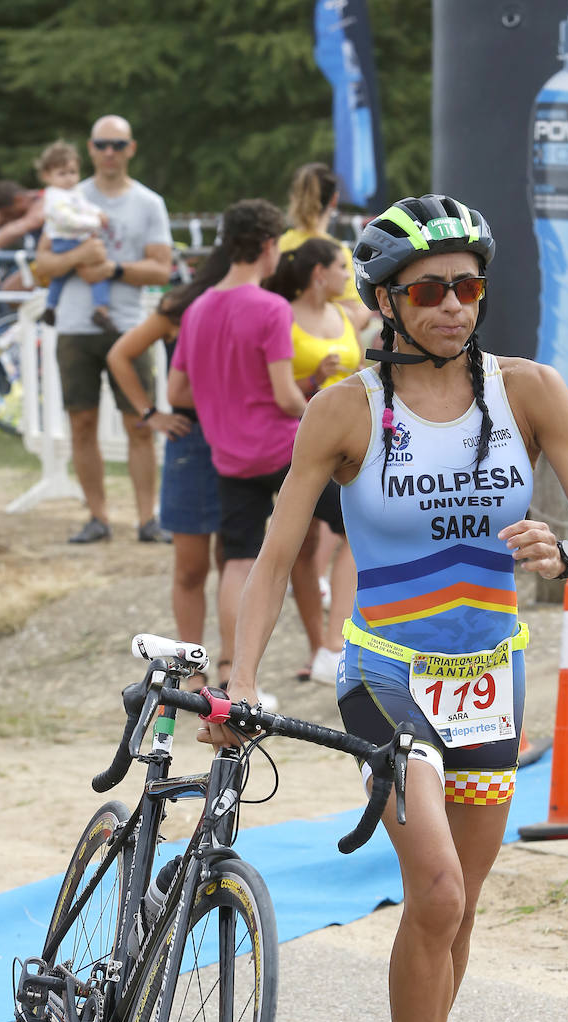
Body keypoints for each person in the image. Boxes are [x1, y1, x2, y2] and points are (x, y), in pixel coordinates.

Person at [200, 194, 568, 1022]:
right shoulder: (346, 409)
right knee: (433, 888)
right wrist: (244, 677)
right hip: (383, 674)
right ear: (387, 300)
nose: (451, 305)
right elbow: (269, 563)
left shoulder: (527, 392)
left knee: (461, 908)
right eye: (428, 290)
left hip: (489, 674)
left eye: (467, 286)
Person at [167, 199, 316, 700]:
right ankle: (336, 645)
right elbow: (284, 394)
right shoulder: (271, 307)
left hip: (228, 455)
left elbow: (177, 394)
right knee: (348, 532)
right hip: (279, 448)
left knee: (237, 560)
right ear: (270, 246)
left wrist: (223, 393)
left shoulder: (199, 306)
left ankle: (232, 677)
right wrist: (316, 403)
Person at [33, 114, 173, 544]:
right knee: (81, 423)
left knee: (140, 423)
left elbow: (161, 268)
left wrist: (111, 268)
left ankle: (147, 519)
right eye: (101, 144)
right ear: (90, 149)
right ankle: (98, 518)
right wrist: (80, 256)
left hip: (129, 326)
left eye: (118, 144)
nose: (109, 152)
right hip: (75, 325)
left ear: (131, 148)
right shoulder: (65, 198)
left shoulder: (148, 203)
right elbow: (41, 269)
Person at [106, 243, 232, 684]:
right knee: (192, 564)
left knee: (234, 561)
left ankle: (231, 667)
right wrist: (148, 414)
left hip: (237, 436)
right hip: (192, 435)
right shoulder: (179, 307)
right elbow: (120, 354)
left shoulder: (253, 303)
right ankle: (192, 666)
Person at [266, 236, 361, 685]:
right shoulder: (282, 316)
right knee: (308, 545)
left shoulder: (344, 314)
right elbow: (273, 384)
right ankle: (322, 646)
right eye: (341, 267)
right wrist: (313, 379)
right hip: (300, 441)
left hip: (350, 444)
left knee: (342, 537)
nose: (348, 275)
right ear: (318, 273)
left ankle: (332, 644)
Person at [278, 162, 372, 334]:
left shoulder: (277, 247)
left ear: (294, 197)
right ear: (334, 200)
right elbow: (353, 320)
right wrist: (370, 307)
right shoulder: (336, 252)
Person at [33, 140, 112, 332]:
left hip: (73, 239)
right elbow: (67, 219)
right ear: (47, 176)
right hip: (66, 240)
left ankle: (51, 306)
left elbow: (84, 207)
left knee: (61, 276)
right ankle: (100, 308)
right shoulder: (55, 196)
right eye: (62, 173)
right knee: (97, 269)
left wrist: (97, 212)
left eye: (72, 172)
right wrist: (95, 222)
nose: (69, 178)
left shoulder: (73, 192)